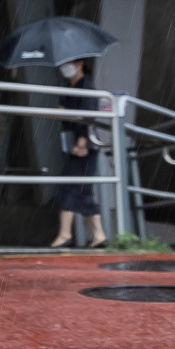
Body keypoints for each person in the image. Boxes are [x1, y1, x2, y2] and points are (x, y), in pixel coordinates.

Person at [48, 57, 108, 250]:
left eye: (69, 62)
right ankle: (98, 235)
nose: (64, 67)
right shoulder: (71, 88)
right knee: (82, 190)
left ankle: (65, 234)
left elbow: (88, 116)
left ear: (80, 63)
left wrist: (82, 142)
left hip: (84, 146)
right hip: (79, 145)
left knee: (70, 187)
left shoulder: (86, 86)